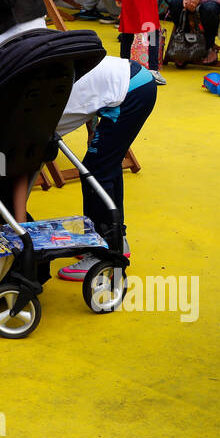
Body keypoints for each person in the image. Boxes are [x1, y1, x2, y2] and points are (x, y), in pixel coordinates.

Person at [54, 56, 155, 280]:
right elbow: (91, 96)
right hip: (133, 80)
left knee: (96, 171)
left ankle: (105, 252)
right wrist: (92, 131)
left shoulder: (44, 107)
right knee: (106, 166)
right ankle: (115, 238)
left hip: (130, 91)